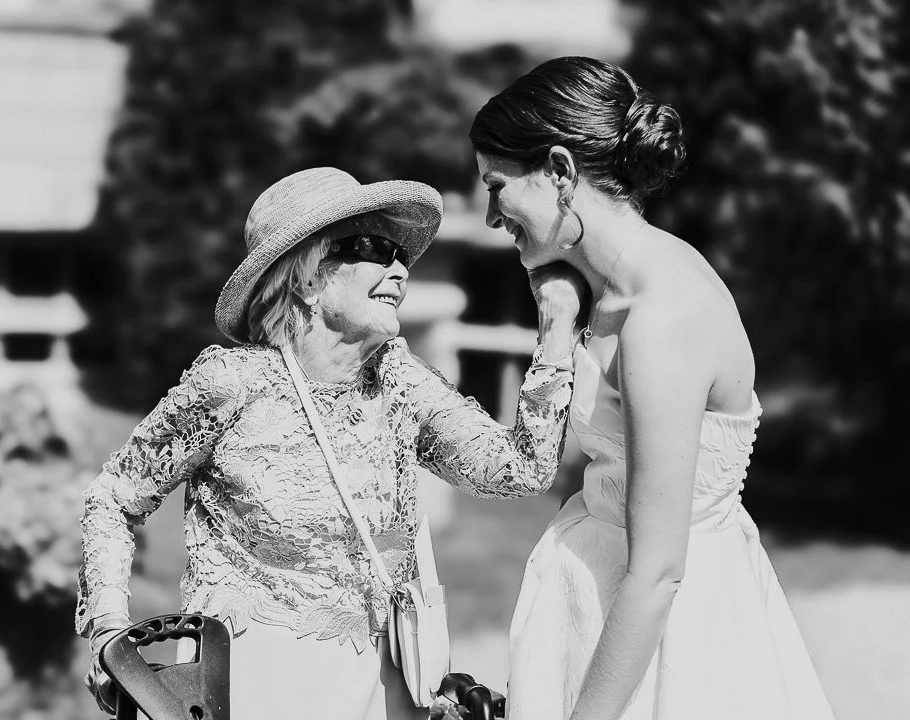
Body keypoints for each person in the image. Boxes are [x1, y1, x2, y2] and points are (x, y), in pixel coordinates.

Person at [76, 167, 581, 720]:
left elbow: (523, 469)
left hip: (383, 689)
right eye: (373, 247)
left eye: (400, 254)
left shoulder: (399, 379)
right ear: (309, 275)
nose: (398, 270)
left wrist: (556, 335)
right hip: (254, 688)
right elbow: (113, 498)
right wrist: (109, 635)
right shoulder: (231, 385)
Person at [469, 57, 835, 720]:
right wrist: (557, 321)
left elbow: (660, 570)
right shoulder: (605, 296)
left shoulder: (664, 317)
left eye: (497, 186)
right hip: (596, 611)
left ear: (559, 171)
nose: (491, 216)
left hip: (667, 648)